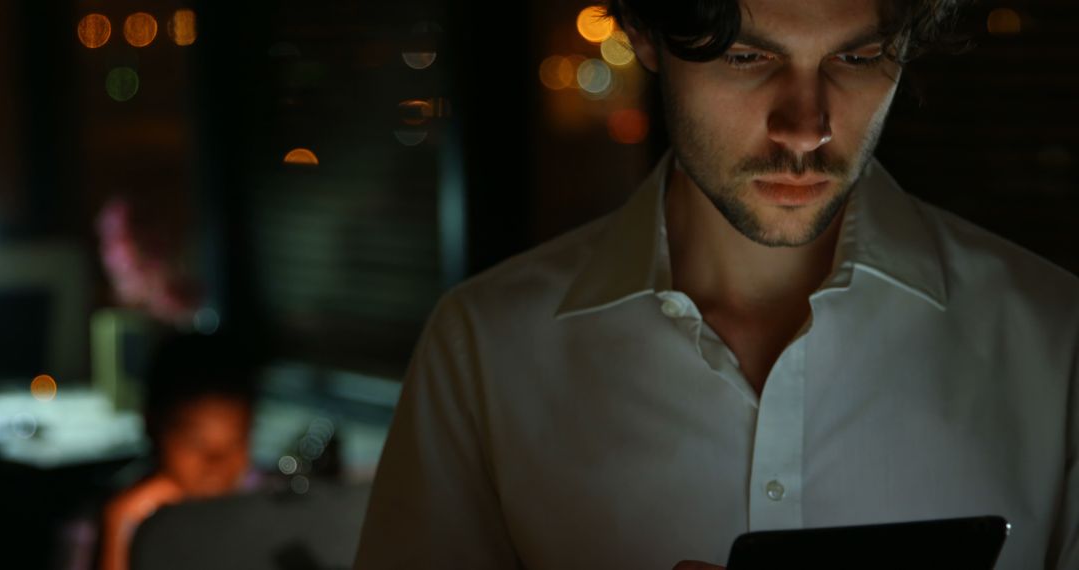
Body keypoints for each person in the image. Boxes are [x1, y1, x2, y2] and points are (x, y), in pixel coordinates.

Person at [354, 1, 1079, 568]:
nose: (805, 130)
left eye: (857, 57)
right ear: (643, 34)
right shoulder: (485, 347)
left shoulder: (1058, 340)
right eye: (746, 57)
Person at [98, 334, 258, 570]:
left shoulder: (265, 505)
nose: (216, 464)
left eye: (234, 443)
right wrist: (118, 531)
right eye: (196, 443)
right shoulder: (118, 521)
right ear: (153, 428)